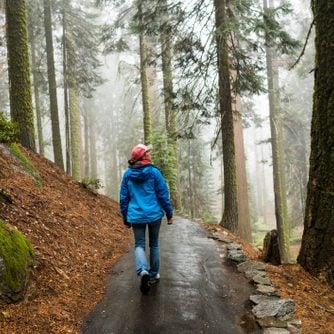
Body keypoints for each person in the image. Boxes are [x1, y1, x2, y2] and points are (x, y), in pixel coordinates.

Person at [120, 143, 173, 294]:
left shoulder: (127, 175)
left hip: (136, 216)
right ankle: (153, 274)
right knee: (154, 244)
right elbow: (163, 194)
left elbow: (124, 198)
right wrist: (169, 213)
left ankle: (143, 270)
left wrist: (125, 217)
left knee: (139, 245)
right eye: (147, 152)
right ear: (143, 156)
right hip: (154, 214)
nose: (150, 154)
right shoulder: (154, 172)